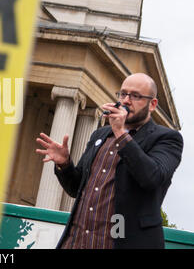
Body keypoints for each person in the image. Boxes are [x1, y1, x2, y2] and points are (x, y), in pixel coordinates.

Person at [35, 73, 183, 249]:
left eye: (135, 96)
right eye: (122, 94)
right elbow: (76, 189)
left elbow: (151, 178)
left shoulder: (167, 138)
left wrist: (121, 133)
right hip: (77, 242)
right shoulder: (100, 135)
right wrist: (65, 164)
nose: (126, 101)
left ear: (152, 104)